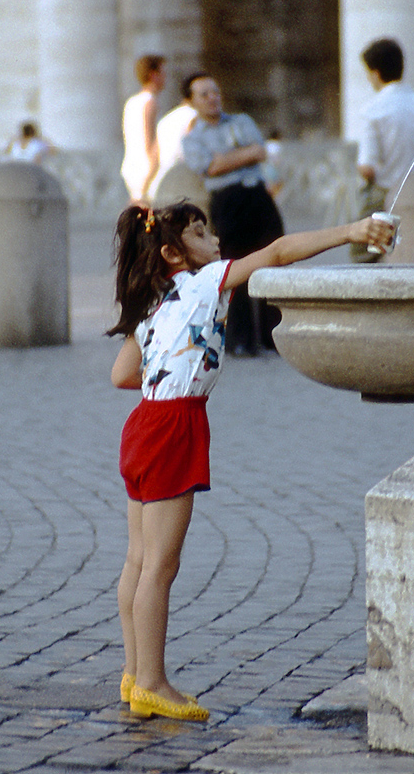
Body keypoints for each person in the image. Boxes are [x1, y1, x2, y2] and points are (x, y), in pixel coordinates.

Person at [109, 200, 394, 723]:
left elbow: (122, 374)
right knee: (162, 566)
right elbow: (279, 253)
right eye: (201, 233)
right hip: (175, 425)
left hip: (143, 423)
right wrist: (352, 229)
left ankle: (133, 674)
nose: (215, 240)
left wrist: (171, 367)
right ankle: (152, 682)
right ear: (174, 252)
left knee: (137, 559)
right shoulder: (205, 281)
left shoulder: (153, 300)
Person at [181, 73, 284, 355]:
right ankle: (240, 339)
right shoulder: (192, 139)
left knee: (273, 260)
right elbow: (209, 167)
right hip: (227, 202)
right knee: (233, 268)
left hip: (257, 195)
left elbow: (259, 151)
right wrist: (244, 154)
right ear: (191, 101)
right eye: (204, 94)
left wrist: (227, 159)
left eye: (215, 91)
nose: (212, 98)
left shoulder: (242, 121)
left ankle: (273, 335)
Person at [356, 37, 414, 216]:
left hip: (390, 195)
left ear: (375, 73)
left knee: (359, 239)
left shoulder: (372, 110)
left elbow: (367, 167)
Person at [120, 55, 167, 206]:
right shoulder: (150, 102)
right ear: (154, 75)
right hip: (146, 170)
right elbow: (151, 142)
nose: (166, 77)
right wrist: (147, 180)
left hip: (131, 167)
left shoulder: (132, 102)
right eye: (163, 73)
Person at [147, 84, 197, 203]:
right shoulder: (194, 116)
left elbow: (154, 158)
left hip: (161, 185)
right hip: (184, 183)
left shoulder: (166, 119)